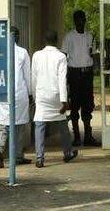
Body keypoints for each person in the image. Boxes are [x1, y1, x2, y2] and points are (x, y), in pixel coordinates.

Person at [31, 30, 78, 168]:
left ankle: (39, 158)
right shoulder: (61, 56)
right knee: (62, 124)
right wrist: (64, 101)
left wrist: (34, 96)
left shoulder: (36, 55)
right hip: (56, 95)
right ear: (57, 40)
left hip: (41, 94)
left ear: (44, 40)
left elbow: (34, 77)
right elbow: (62, 79)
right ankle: (67, 153)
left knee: (39, 125)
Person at [0, 26, 32, 168]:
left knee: (4, 126)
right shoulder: (22, 52)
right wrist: (31, 93)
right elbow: (27, 75)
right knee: (19, 126)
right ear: (17, 37)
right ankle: (18, 156)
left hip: (2, 93)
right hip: (19, 93)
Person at [62, 10, 99, 147]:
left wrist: (96, 67)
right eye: (78, 19)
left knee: (87, 104)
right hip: (74, 74)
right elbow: (63, 55)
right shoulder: (69, 37)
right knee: (75, 105)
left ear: (85, 20)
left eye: (82, 19)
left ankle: (88, 136)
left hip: (87, 74)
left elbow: (93, 54)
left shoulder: (90, 36)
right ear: (74, 21)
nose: (80, 22)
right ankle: (77, 136)